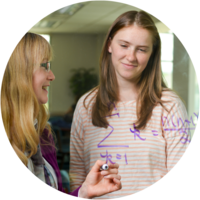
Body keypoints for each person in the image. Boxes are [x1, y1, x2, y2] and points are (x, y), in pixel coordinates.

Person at [70, 10, 191, 198]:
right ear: (110, 44)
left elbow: (180, 180)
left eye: (142, 49)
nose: (131, 56)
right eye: (124, 45)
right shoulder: (86, 105)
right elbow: (78, 178)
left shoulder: (169, 105)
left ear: (152, 53)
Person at [1, 32, 122, 198]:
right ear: (19, 72)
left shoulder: (43, 134)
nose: (52, 76)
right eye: (44, 66)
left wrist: (85, 191)